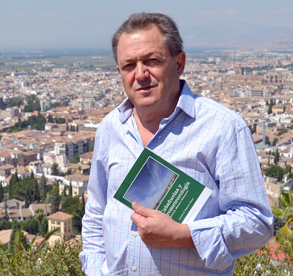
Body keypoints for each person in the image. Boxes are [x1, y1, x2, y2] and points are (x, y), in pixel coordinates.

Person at [80, 12, 273, 275]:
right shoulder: (110, 128)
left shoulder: (223, 128)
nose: (140, 74)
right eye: (128, 65)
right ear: (119, 71)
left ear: (179, 63)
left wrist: (182, 234)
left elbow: (258, 223)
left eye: (152, 61)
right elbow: (95, 215)